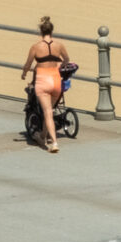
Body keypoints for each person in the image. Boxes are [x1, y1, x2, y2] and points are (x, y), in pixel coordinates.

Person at [21, 16, 74, 152]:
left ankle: (54, 143)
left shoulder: (36, 47)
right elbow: (67, 59)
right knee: (50, 110)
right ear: (52, 31)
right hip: (56, 79)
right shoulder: (59, 45)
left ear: (40, 32)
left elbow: (28, 64)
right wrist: (59, 66)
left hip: (42, 80)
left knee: (47, 113)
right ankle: (44, 135)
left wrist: (24, 74)